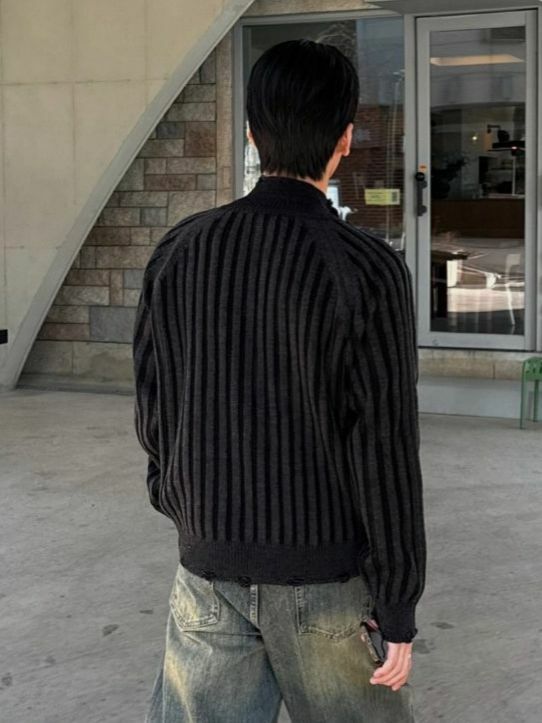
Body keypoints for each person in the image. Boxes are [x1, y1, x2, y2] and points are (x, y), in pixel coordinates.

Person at [133, 38, 426, 723]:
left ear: (251, 133)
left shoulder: (180, 251)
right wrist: (398, 601)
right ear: (345, 139)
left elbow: (154, 405)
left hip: (207, 569)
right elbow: (384, 449)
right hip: (325, 579)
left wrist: (184, 506)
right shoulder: (366, 270)